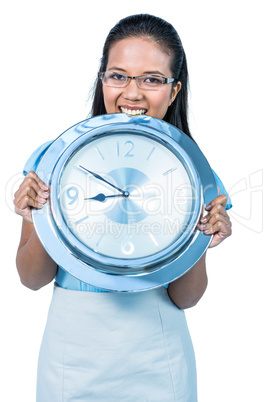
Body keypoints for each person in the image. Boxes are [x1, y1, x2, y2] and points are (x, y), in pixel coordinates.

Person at [14, 14, 232, 402]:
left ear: (174, 89)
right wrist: (38, 216)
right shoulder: (56, 160)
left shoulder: (194, 174)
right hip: (73, 357)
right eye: (118, 75)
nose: (132, 92)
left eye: (151, 79)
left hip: (157, 355)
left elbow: (186, 297)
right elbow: (32, 279)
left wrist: (199, 240)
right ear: (102, 80)